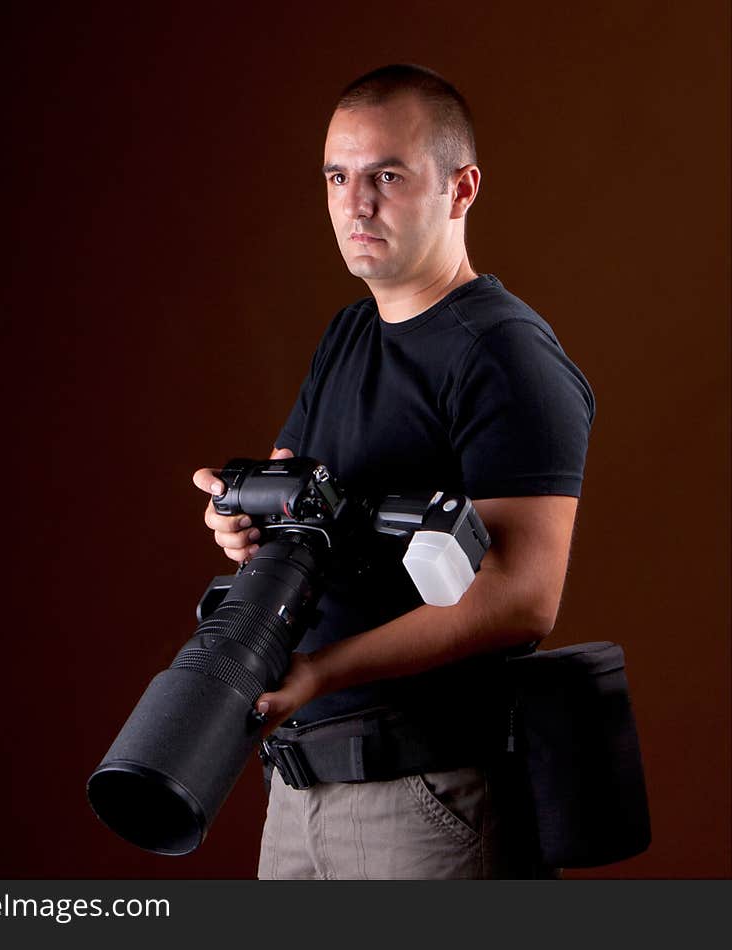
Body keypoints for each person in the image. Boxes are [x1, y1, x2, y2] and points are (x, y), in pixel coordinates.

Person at [193, 64, 595, 879]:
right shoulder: (349, 335)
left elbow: (521, 598)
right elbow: (300, 509)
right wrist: (243, 522)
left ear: (461, 188)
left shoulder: (505, 356)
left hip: (425, 798)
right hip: (300, 785)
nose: (354, 203)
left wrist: (318, 673)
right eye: (337, 177)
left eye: (386, 175)